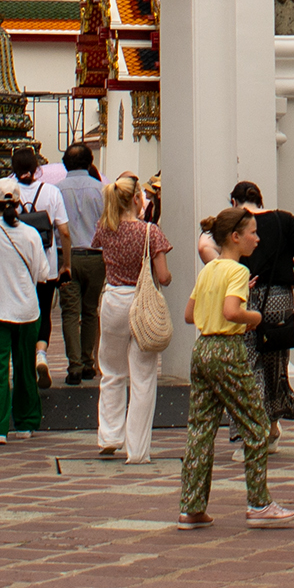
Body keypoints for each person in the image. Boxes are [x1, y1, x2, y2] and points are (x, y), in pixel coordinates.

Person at [177, 206, 294, 530]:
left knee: (200, 428)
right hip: (227, 350)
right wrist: (255, 318)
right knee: (257, 426)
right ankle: (259, 503)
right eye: (252, 233)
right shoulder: (237, 271)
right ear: (235, 237)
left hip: (202, 348)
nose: (257, 239)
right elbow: (232, 312)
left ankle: (191, 507)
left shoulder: (209, 269)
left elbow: (190, 314)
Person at [93, 175, 172, 463]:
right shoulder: (151, 233)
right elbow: (163, 276)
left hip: (113, 300)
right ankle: (137, 450)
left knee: (111, 371)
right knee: (142, 378)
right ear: (138, 199)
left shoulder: (104, 229)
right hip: (140, 302)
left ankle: (109, 436)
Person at [0, 173, 55, 443]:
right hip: (27, 310)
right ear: (20, 203)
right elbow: (43, 272)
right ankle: (26, 423)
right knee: (25, 369)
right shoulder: (31, 234)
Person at [240, 181, 294, 422]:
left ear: (234, 202)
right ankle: (273, 421)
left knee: (249, 363)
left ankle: (254, 427)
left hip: (247, 296)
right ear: (260, 200)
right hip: (280, 300)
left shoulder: (235, 221)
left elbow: (205, 246)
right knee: (276, 365)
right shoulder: (281, 219)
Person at [0, 149, 68, 387]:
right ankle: (41, 355)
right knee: (43, 311)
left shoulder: (5, 190)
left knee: (18, 313)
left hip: (13, 266)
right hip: (46, 264)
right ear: (37, 168)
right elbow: (63, 231)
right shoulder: (51, 192)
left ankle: (21, 362)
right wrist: (66, 263)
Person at [55, 145, 107, 385]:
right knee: (90, 310)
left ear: (65, 164)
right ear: (90, 163)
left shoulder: (56, 191)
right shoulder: (102, 191)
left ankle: (74, 365)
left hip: (67, 257)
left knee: (69, 311)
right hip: (96, 257)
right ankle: (88, 363)